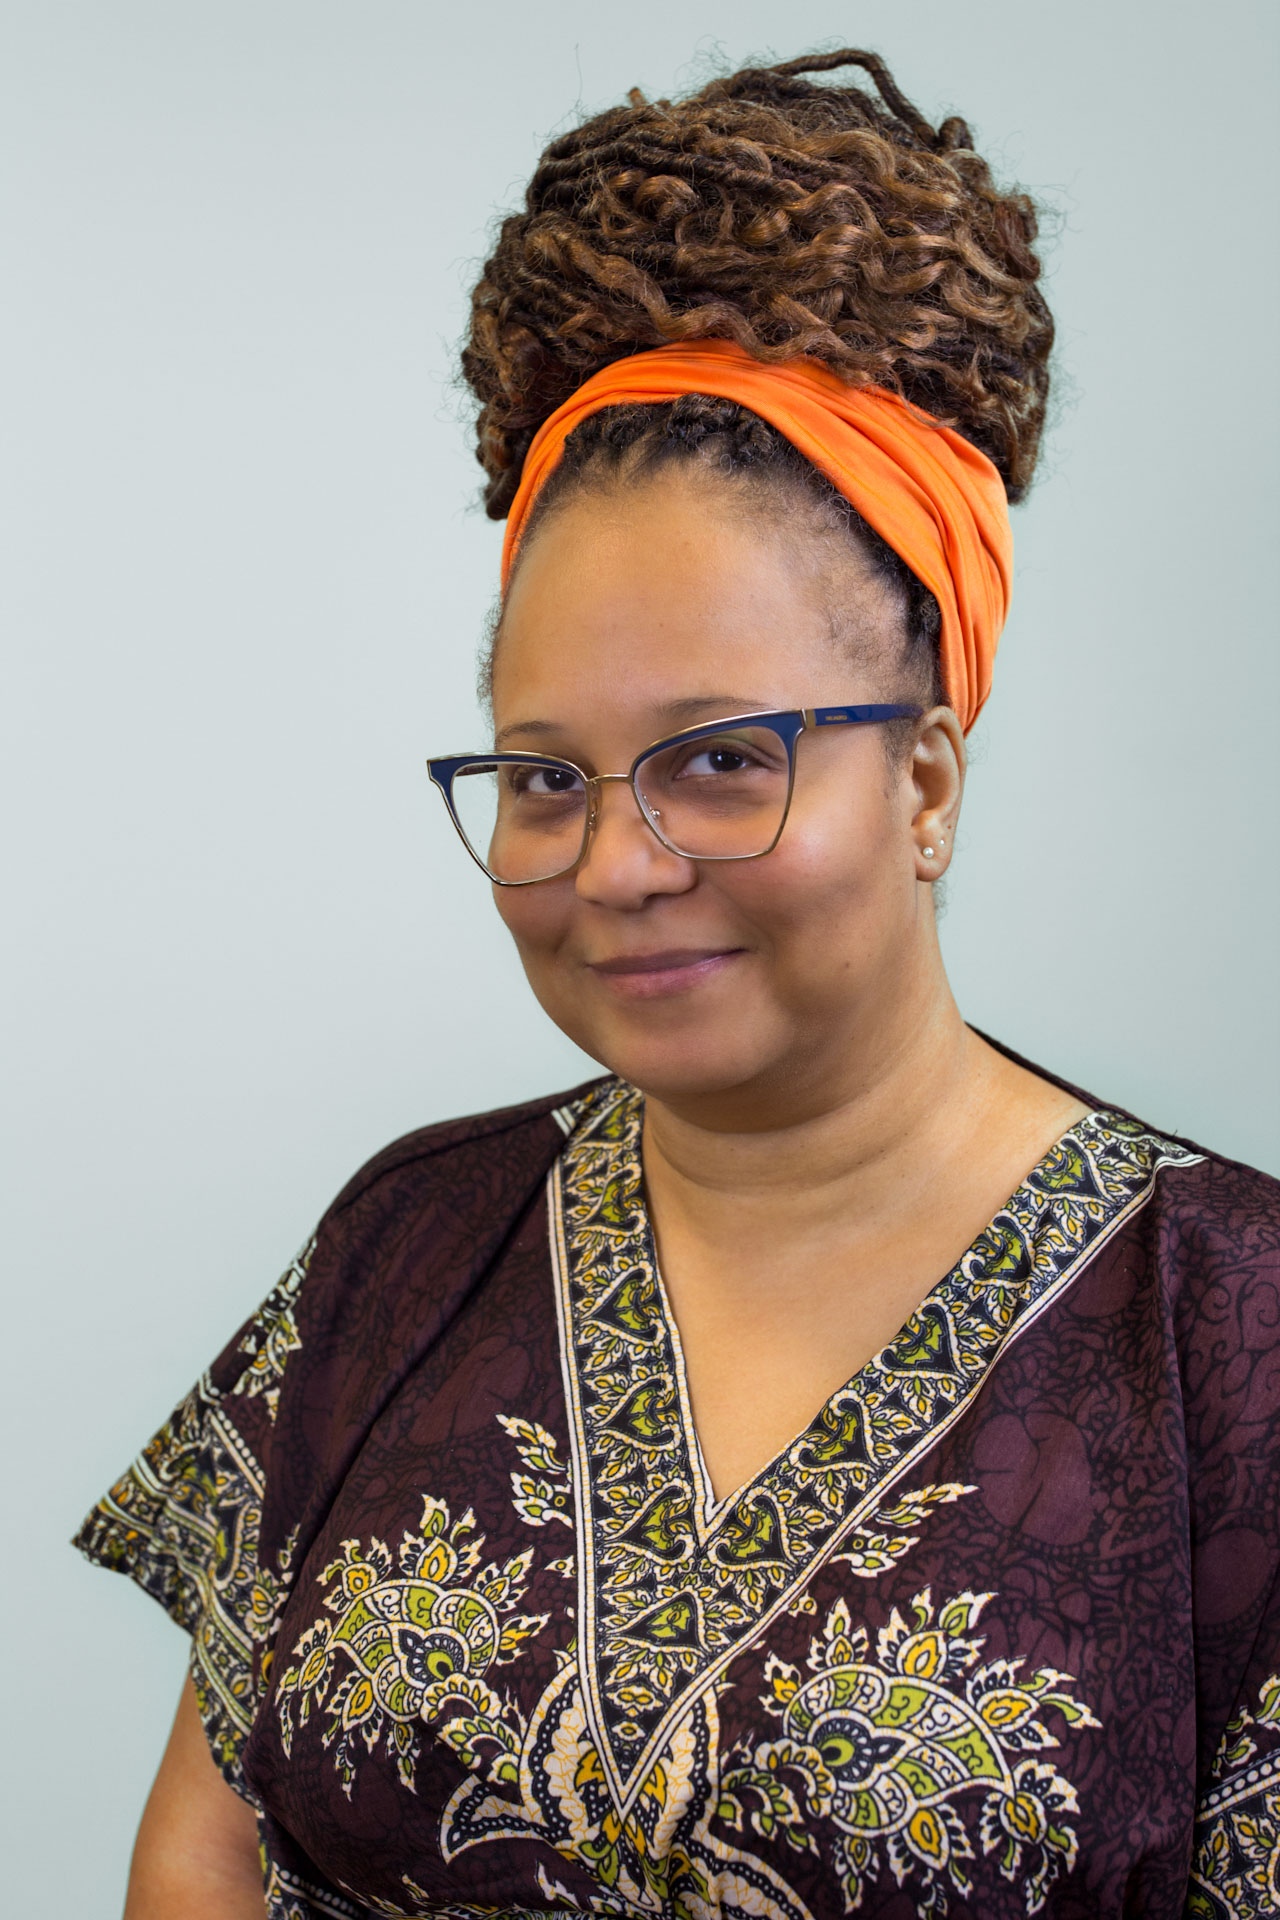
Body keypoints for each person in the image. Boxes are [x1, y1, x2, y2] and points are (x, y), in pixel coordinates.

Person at [77, 47, 1280, 1920]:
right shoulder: (407, 1246)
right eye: (546, 775)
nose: (617, 863)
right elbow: (215, 1830)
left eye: (722, 757)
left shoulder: (1230, 1336)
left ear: (930, 779)